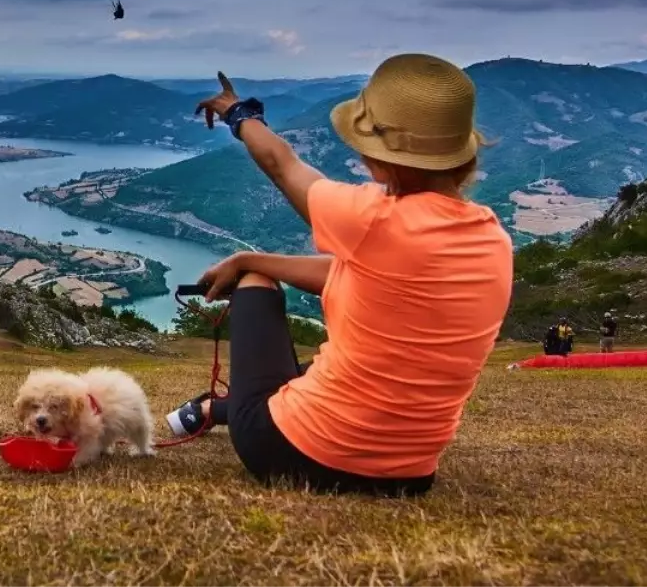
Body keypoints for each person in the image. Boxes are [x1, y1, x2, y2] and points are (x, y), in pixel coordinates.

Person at [164, 55, 514, 497]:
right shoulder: (492, 241)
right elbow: (354, 275)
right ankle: (216, 409)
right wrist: (250, 257)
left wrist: (238, 114)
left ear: (379, 157)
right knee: (323, 350)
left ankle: (225, 409)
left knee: (258, 289)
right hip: (409, 475)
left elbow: (282, 165)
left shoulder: (372, 220)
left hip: (289, 453)